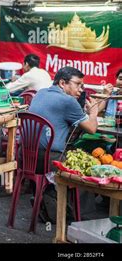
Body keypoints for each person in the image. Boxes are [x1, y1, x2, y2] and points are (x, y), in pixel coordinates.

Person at [29, 66, 100, 219]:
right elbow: (92, 129)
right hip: (49, 160)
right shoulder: (68, 101)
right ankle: (84, 219)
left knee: (72, 153)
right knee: (87, 168)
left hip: (26, 157)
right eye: (78, 84)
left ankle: (54, 203)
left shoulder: (40, 93)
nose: (81, 89)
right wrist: (94, 113)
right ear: (62, 83)